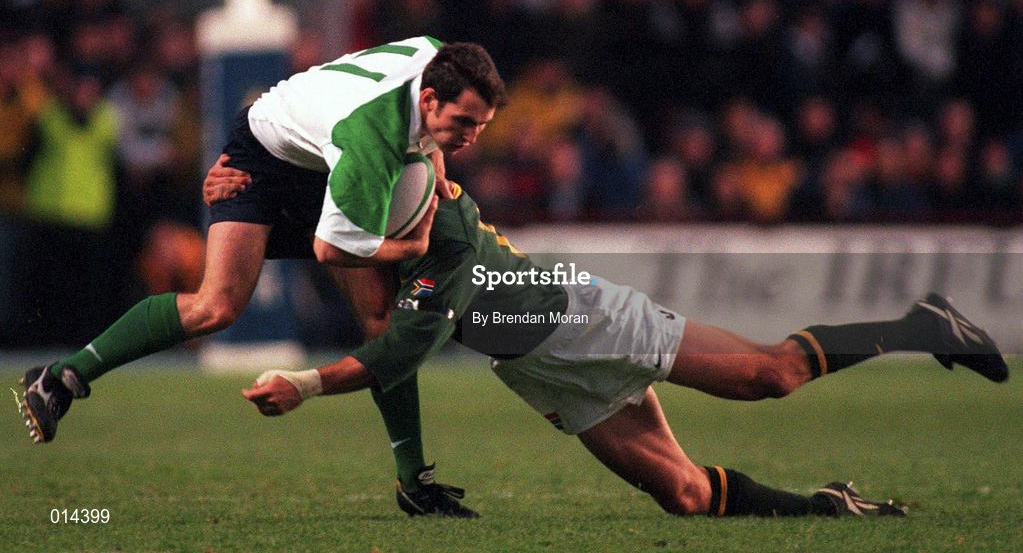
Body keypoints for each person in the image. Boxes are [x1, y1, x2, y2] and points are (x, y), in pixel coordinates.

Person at [242, 184, 1008, 518]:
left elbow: (392, 355)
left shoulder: (443, 244)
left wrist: (303, 385)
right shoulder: (398, 203)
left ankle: (924, 326)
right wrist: (237, 202)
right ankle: (829, 508)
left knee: (768, 375)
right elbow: (331, 244)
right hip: (533, 365)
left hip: (582, 318)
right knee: (682, 496)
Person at [18, 36, 506, 518]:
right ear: (428, 99)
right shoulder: (372, 139)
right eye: (463, 122)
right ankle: (63, 377)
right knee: (218, 306)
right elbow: (331, 249)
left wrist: (436, 160)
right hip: (265, 161)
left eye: (481, 125)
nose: (472, 136)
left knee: (381, 317)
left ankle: (415, 481)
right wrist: (413, 245)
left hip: (323, 155)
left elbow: (407, 115)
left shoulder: (441, 60)